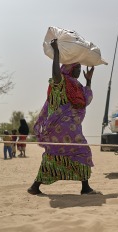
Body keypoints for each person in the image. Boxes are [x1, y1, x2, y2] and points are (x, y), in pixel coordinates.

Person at [27, 38, 100, 195]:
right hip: (60, 127)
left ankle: (35, 187)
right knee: (81, 151)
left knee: (55, 154)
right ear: (69, 68)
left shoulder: (77, 86)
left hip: (71, 128)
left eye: (80, 69)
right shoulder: (61, 82)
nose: (79, 71)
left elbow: (85, 101)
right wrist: (57, 53)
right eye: (77, 68)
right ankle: (85, 188)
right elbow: (55, 73)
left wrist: (89, 81)